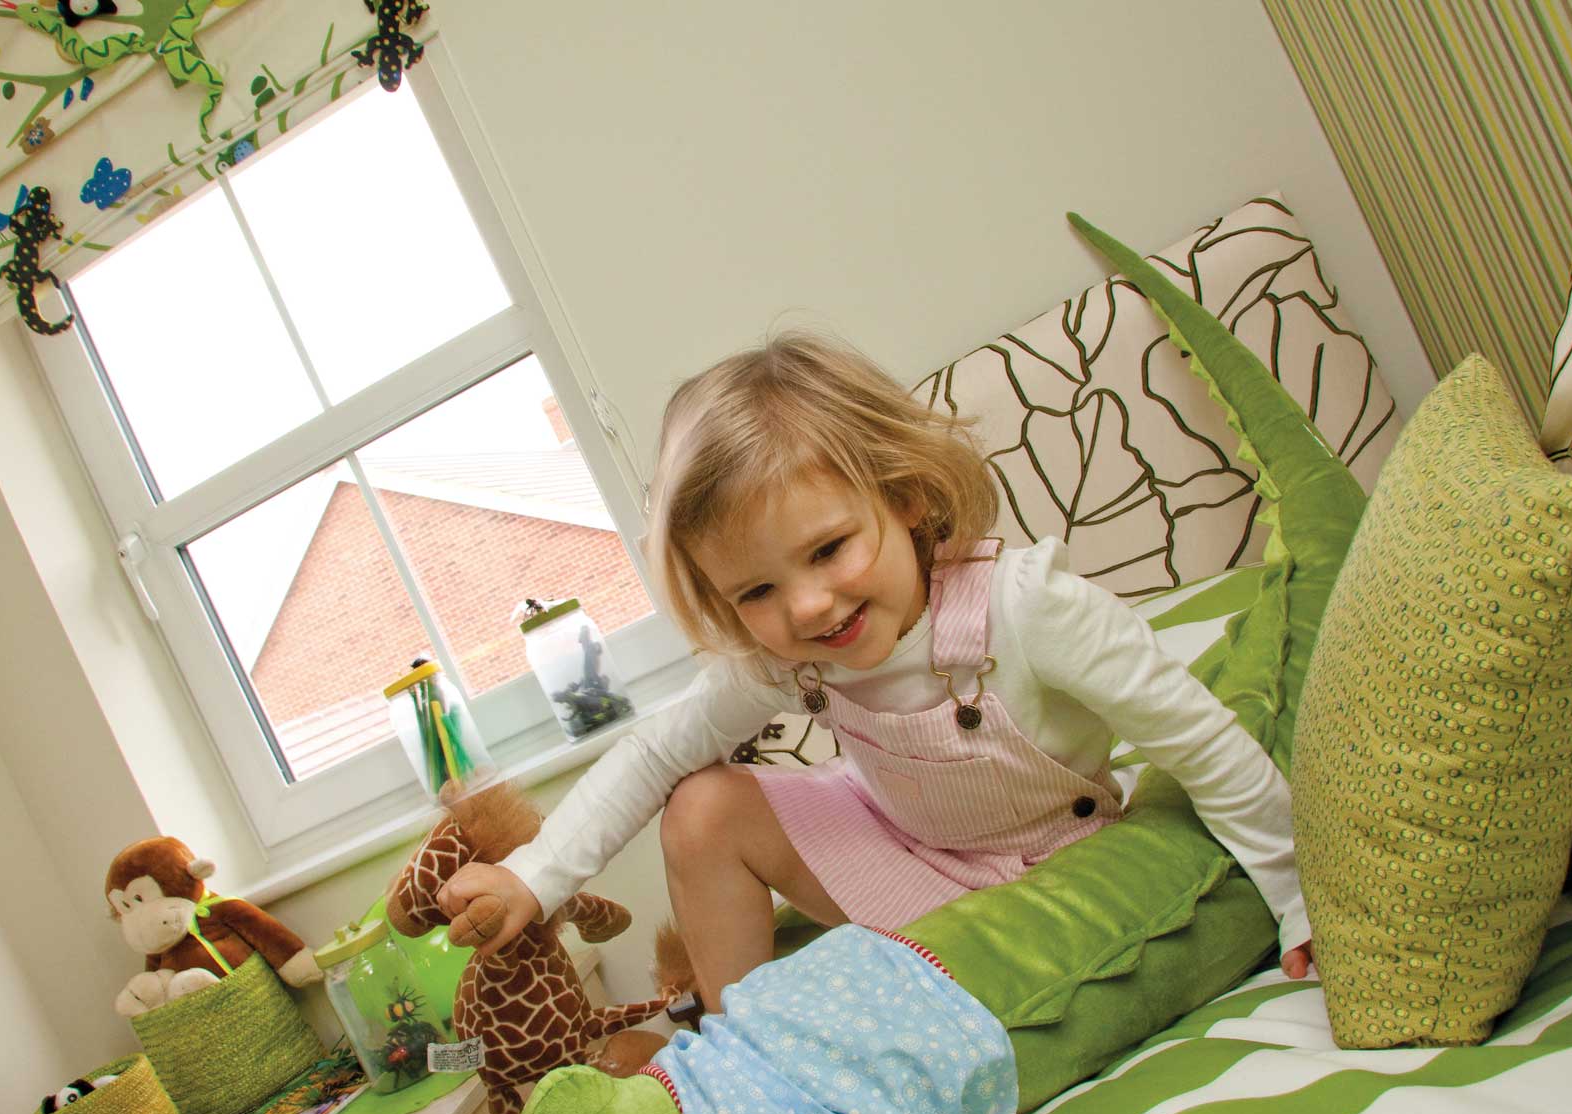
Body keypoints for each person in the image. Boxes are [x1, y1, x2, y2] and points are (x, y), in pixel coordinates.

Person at [437, 331, 1312, 1010]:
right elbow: (653, 754)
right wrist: (536, 874)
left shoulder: (1029, 608)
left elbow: (1196, 739)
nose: (809, 608)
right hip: (907, 859)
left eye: (829, 549)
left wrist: (1295, 896)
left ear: (904, 496)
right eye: (757, 591)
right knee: (701, 804)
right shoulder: (783, 661)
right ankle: (750, 1046)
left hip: (1056, 865)